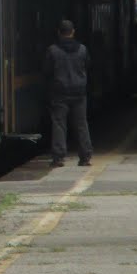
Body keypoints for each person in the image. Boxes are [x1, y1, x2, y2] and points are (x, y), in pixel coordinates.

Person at [44, 19, 93, 167]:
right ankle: (85, 157)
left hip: (59, 93)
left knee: (59, 124)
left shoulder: (52, 50)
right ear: (73, 32)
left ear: (59, 32)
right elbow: (88, 66)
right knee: (81, 124)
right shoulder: (83, 49)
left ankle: (58, 157)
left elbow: (47, 71)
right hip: (79, 93)